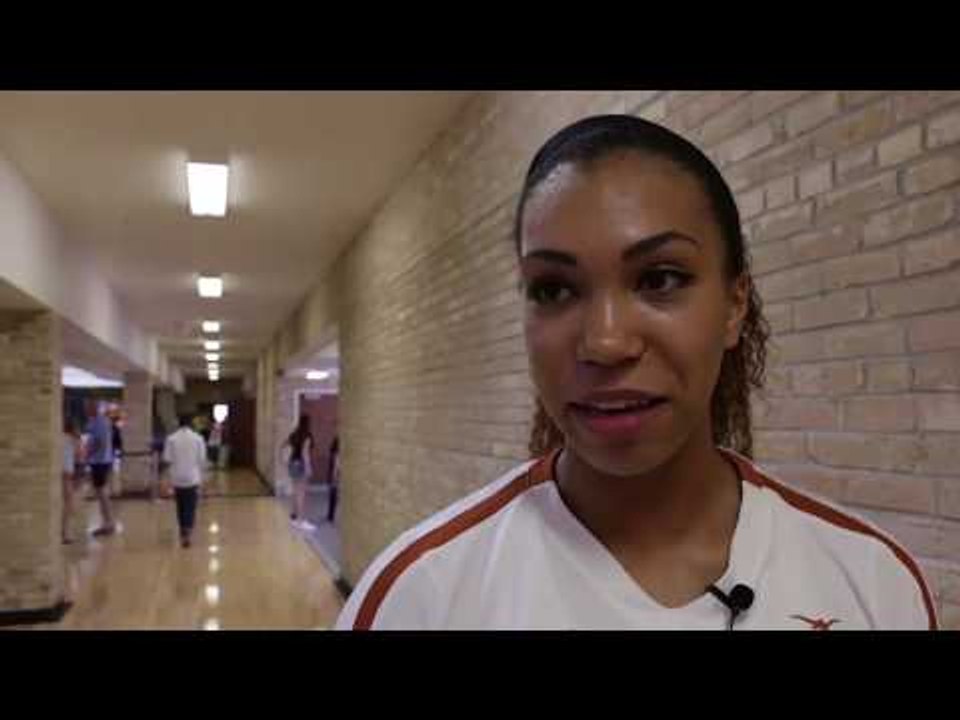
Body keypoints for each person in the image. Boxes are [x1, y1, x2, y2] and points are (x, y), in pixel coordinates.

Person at [335, 114, 937, 630]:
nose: (605, 342)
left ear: (734, 305)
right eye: (554, 289)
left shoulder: (873, 582)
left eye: (660, 279)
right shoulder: (421, 596)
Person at [162, 414, 207, 548]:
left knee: (180, 506)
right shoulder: (198, 439)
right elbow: (202, 459)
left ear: (178, 424)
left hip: (177, 477)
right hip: (192, 477)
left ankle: (183, 529)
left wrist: (165, 479)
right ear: (191, 424)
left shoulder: (171, 439)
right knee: (190, 506)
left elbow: (167, 458)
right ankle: (188, 532)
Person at [85, 401, 116, 537]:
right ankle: (106, 522)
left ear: (94, 408)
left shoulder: (101, 422)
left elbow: (100, 442)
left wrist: (88, 454)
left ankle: (109, 523)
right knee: (100, 492)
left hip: (100, 461)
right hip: (97, 461)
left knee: (102, 492)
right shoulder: (93, 421)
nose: (86, 410)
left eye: (88, 408)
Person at [282, 415, 315, 531]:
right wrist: (309, 468)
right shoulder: (307, 436)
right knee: (301, 494)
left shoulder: (294, 434)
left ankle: (294, 518)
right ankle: (301, 521)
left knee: (295, 492)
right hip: (301, 465)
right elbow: (305, 453)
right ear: (308, 423)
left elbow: (283, 445)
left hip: (292, 463)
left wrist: (283, 460)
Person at [61, 418, 85, 544]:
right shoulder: (73, 439)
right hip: (67, 473)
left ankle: (64, 531)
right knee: (69, 504)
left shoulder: (59, 437)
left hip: (60, 472)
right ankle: (66, 534)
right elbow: (80, 455)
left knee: (66, 503)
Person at [326, 435, 340, 523]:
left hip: (334, 477)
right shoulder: (337, 454)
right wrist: (334, 478)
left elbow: (334, 467)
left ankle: (330, 515)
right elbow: (336, 466)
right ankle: (331, 516)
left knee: (333, 497)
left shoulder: (333, 454)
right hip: (337, 477)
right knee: (335, 497)